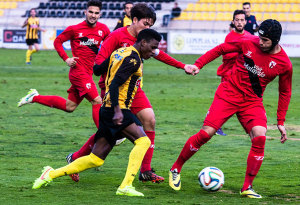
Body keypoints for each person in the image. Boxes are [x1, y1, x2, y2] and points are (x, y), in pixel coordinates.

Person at [67, 3, 197, 184]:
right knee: (113, 132)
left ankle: (145, 171)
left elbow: (159, 53)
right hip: (114, 88)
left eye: (151, 25)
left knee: (149, 120)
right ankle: (76, 157)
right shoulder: (116, 37)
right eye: (145, 23)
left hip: (134, 88)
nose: (148, 27)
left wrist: (183, 66)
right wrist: (118, 56)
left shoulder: (145, 40)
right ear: (134, 20)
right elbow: (97, 68)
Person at [169, 19, 292, 199]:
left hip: (252, 101)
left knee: (260, 137)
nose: (260, 42)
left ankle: (247, 187)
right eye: (260, 38)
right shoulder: (247, 42)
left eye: (265, 40)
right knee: (206, 134)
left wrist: (280, 121)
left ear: (275, 40)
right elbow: (221, 49)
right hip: (228, 93)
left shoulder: (284, 63)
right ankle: (176, 168)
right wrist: (198, 64)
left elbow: (285, 92)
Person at [32, 28, 162, 197]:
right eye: (152, 47)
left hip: (106, 109)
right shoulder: (133, 59)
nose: (154, 52)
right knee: (143, 141)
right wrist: (118, 111)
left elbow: (98, 69)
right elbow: (115, 84)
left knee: (95, 159)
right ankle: (126, 186)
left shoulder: (120, 51)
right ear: (143, 42)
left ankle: (50, 174)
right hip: (118, 109)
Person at [17, 0, 110, 129]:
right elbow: (57, 41)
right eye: (90, 12)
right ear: (85, 12)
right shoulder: (75, 29)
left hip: (88, 73)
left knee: (69, 106)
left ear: (100, 14)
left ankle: (34, 97)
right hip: (78, 72)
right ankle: (106, 135)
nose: (93, 15)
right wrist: (66, 59)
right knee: (97, 100)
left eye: (96, 13)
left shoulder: (103, 29)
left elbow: (110, 46)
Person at [216, 10, 252, 136]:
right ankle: (214, 124)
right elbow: (227, 56)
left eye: (242, 20)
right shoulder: (230, 37)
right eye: (237, 20)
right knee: (225, 102)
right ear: (233, 21)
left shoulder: (248, 36)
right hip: (228, 74)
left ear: (245, 22)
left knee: (239, 102)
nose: (240, 22)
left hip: (241, 76)